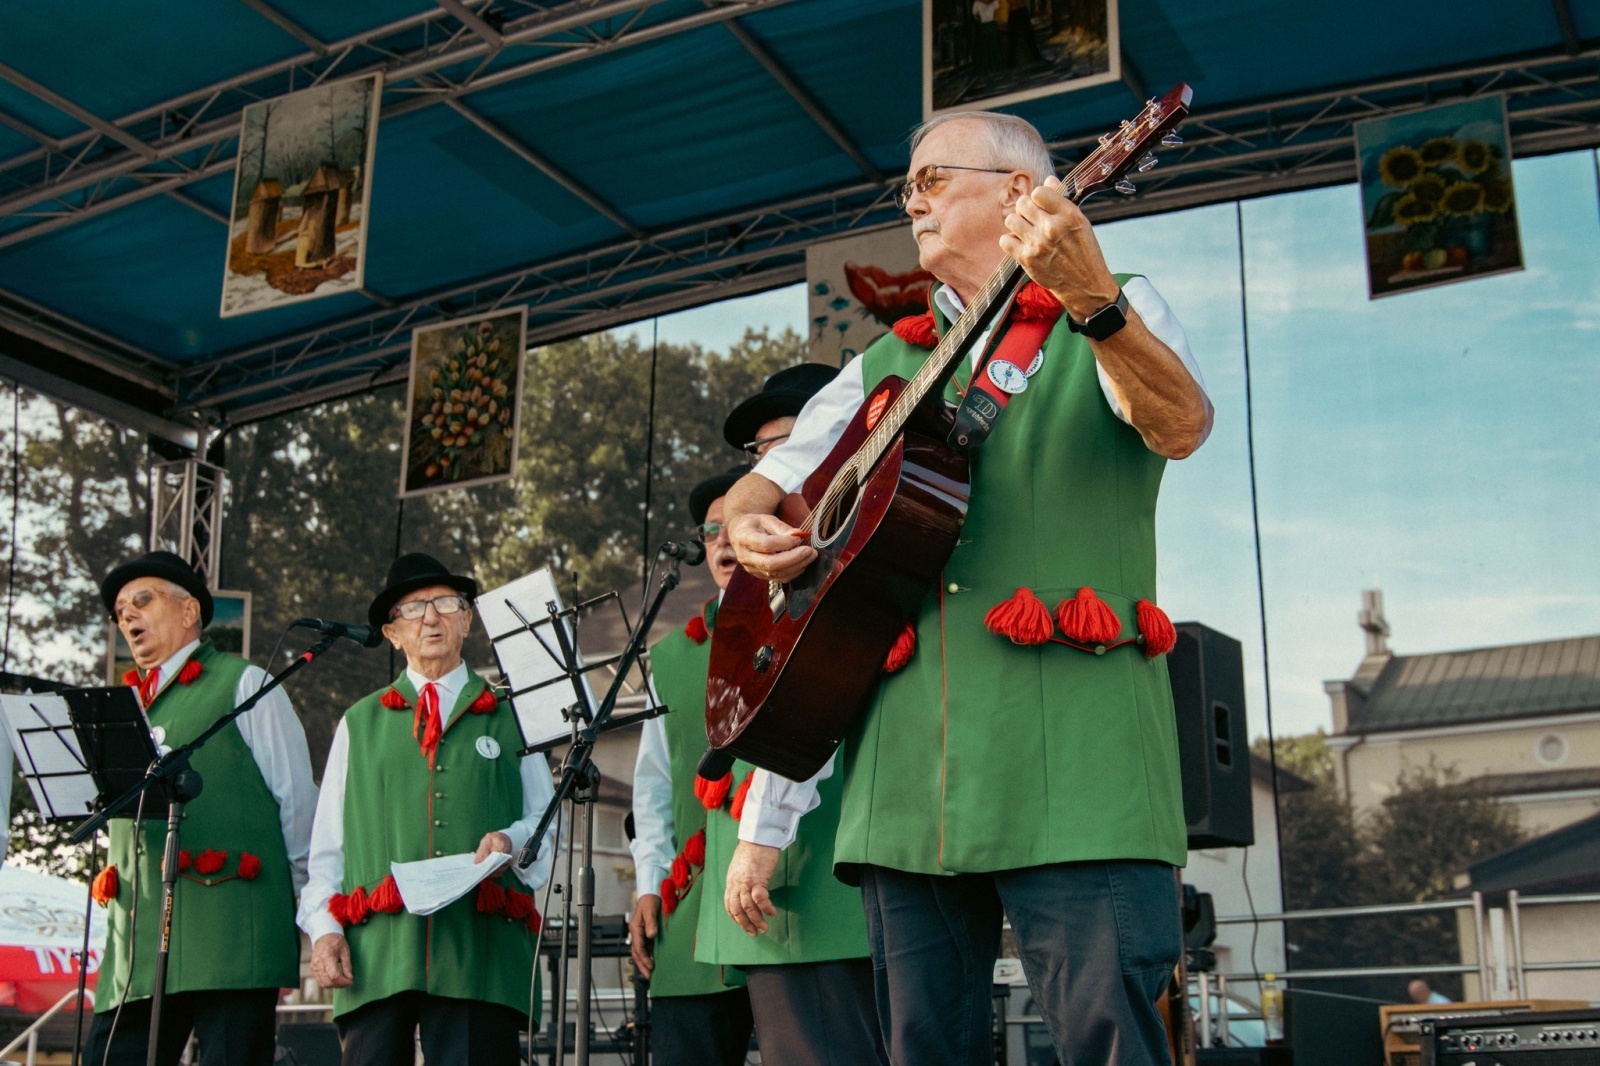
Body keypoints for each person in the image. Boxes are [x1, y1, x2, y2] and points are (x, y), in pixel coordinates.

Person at [721, 110, 1214, 1066]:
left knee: (1106, 1040)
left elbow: (1182, 425)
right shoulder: (882, 362)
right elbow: (770, 482)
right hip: (906, 777)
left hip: (1075, 757)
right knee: (921, 1049)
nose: (914, 199)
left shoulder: (1117, 303)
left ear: (1022, 193)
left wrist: (1095, 303)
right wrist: (747, 518)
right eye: (908, 185)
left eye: (936, 177)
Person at [298, 552, 557, 1066]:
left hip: (478, 950)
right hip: (378, 954)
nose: (432, 618)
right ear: (392, 633)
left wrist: (509, 839)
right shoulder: (359, 723)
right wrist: (324, 929)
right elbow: (328, 849)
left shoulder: (514, 716)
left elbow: (545, 825)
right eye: (414, 609)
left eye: (445, 603)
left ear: (467, 619)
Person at [91, 551, 318, 1066]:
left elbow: (298, 803)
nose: (127, 616)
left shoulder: (245, 683)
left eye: (141, 601)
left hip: (232, 932)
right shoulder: (125, 709)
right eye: (120, 611)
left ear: (189, 610)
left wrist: (312, 914)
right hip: (137, 947)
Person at [630, 468, 759, 1066]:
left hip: (788, 896)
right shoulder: (670, 655)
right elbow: (653, 785)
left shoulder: (815, 620)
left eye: (735, 526)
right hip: (693, 906)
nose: (724, 544)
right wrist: (649, 882)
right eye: (711, 533)